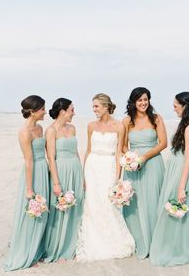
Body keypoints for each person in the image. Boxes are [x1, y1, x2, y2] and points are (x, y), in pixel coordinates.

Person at [76, 93, 135, 262]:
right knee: (92, 203)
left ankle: (113, 240)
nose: (93, 109)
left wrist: (118, 178)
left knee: (109, 204)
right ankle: (93, 238)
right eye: (93, 106)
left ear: (106, 107)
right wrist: (83, 174)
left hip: (109, 167)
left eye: (96, 106)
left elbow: (118, 153)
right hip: (92, 166)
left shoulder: (119, 127)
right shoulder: (90, 126)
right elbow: (88, 149)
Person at [150, 91, 189, 266]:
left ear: (185, 106)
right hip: (175, 170)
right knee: (170, 210)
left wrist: (181, 186)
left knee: (176, 210)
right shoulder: (186, 123)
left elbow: (188, 159)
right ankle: (171, 245)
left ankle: (178, 249)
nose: (174, 109)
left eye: (176, 106)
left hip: (182, 173)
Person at [4, 95, 49, 271]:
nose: (45, 111)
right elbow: (28, 161)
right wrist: (29, 189)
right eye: (42, 109)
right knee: (32, 211)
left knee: (43, 212)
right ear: (33, 111)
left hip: (43, 169)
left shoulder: (40, 128)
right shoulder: (24, 132)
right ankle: (27, 250)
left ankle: (38, 248)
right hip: (32, 173)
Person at [122, 87, 167, 259]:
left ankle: (155, 240)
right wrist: (132, 158)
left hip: (153, 163)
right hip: (133, 166)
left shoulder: (156, 118)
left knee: (153, 200)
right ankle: (138, 239)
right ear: (133, 102)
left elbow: (163, 143)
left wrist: (144, 158)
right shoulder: (127, 121)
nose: (143, 103)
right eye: (139, 100)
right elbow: (123, 145)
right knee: (135, 202)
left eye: (145, 99)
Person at [44, 98, 84, 262]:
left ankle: (72, 245)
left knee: (76, 207)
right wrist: (56, 182)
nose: (74, 113)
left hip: (75, 169)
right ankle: (59, 247)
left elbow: (76, 152)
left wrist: (81, 174)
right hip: (60, 171)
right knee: (61, 208)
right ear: (63, 112)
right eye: (72, 110)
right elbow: (51, 158)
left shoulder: (72, 128)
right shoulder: (51, 131)